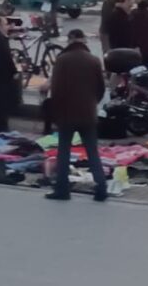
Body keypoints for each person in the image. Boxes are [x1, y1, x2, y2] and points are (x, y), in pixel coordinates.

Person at [45, 30, 108, 202]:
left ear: (70, 40)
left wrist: (56, 111)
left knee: (64, 152)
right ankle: (101, 187)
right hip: (88, 113)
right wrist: (92, 103)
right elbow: (101, 88)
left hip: (66, 113)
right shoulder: (94, 60)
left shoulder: (62, 60)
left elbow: (56, 90)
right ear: (84, 40)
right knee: (92, 152)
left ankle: (62, 189)